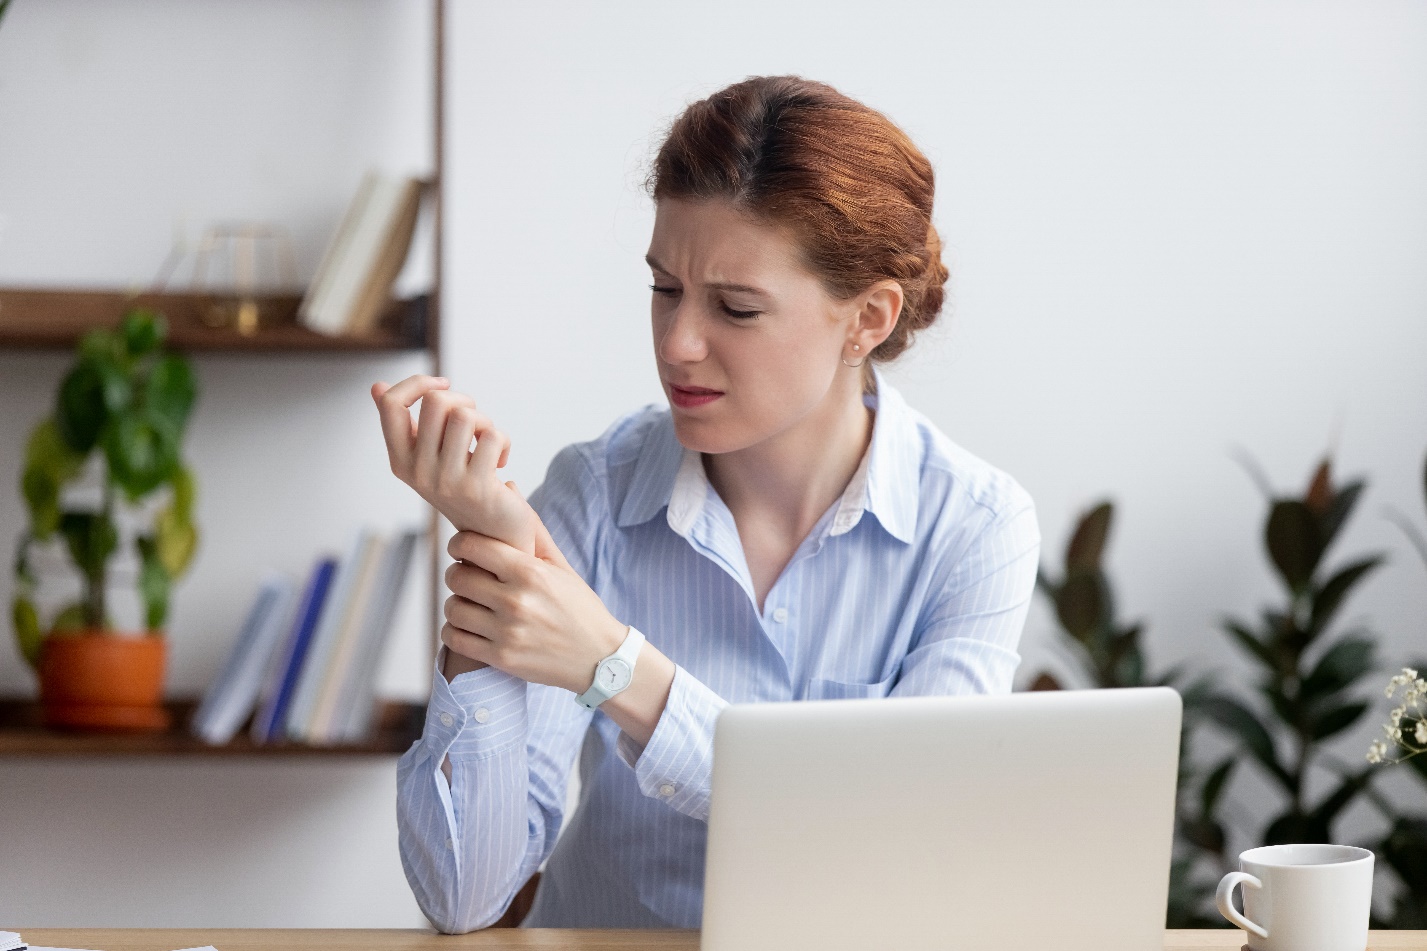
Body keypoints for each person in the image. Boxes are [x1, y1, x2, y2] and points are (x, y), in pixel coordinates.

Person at [374, 75, 1040, 933]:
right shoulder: (595, 494)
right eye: (664, 290)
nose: (678, 343)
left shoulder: (973, 528)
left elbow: (898, 847)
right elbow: (463, 897)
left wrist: (615, 667)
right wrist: (491, 556)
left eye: (735, 306)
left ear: (867, 319)